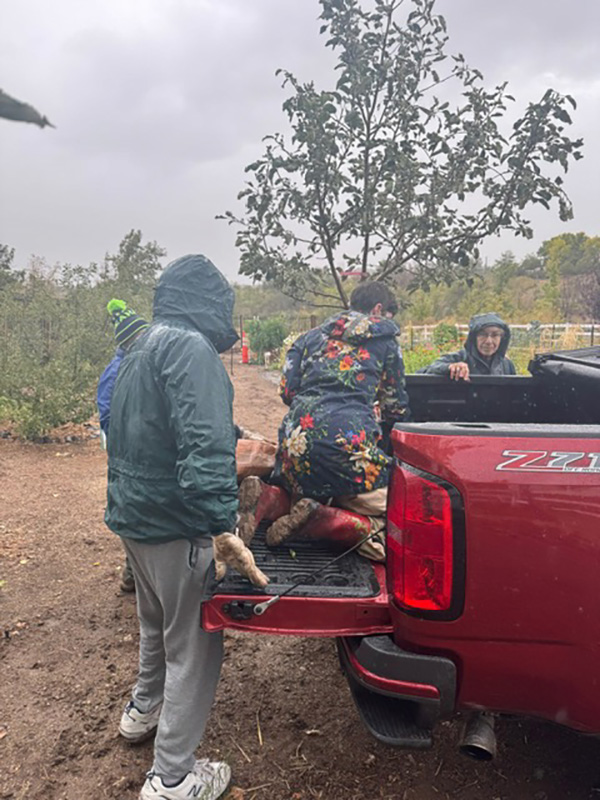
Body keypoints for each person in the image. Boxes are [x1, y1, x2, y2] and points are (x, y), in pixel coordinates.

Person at [105, 255, 238, 800]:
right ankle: (174, 778)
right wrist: (220, 525)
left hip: (134, 516)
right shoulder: (191, 348)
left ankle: (143, 710)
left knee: (154, 625)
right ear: (211, 304)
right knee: (195, 646)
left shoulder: (140, 346)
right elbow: (205, 447)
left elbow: (140, 428)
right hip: (176, 523)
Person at [238, 281, 410, 561]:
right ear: (379, 309)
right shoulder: (386, 342)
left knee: (307, 488)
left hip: (296, 445)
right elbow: (396, 409)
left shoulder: (308, 338)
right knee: (395, 514)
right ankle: (326, 520)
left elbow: (287, 392)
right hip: (348, 450)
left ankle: (269, 498)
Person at [97, 299, 149, 593]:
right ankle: (132, 573)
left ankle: (133, 572)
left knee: (139, 508)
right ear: (130, 339)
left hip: (140, 451)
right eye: (141, 335)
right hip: (125, 454)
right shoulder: (115, 371)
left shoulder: (138, 363)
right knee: (131, 508)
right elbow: (106, 416)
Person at [420, 312, 516, 380]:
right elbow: (431, 368)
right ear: (473, 338)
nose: (489, 341)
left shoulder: (506, 365)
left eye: (495, 335)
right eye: (483, 334)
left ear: (502, 338)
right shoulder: (460, 357)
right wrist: (450, 367)